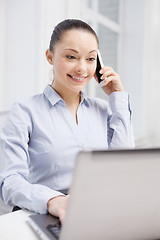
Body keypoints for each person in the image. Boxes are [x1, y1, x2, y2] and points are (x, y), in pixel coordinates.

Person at [0, 19, 134, 223]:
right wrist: (52, 200)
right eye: (71, 56)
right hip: (49, 216)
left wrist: (117, 97)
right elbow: (9, 182)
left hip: (100, 215)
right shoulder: (25, 111)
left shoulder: (102, 109)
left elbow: (122, 166)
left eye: (90, 59)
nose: (81, 68)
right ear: (50, 56)